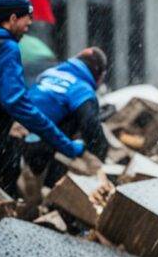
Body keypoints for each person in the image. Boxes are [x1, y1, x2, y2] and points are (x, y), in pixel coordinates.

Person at [0, 0, 83, 195]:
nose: (27, 28)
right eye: (26, 22)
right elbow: (17, 102)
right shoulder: (6, 48)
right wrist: (65, 144)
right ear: (12, 19)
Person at [24, 47, 110, 187]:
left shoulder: (49, 74)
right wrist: (97, 157)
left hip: (13, 136)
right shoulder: (81, 89)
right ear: (99, 75)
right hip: (40, 147)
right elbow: (90, 126)